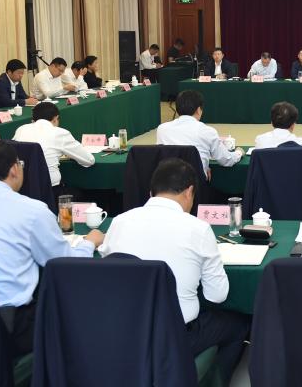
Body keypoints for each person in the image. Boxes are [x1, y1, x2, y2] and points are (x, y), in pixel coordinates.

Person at [0, 140, 103, 356]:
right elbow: (63, 263)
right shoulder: (32, 210)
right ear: (14, 169)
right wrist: (89, 242)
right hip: (8, 324)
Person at [101, 158, 250, 382]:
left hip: (123, 335)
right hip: (175, 337)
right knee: (238, 324)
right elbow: (217, 296)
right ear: (189, 192)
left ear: (151, 192)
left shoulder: (119, 222)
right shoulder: (198, 228)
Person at [157, 90, 242, 175]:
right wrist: (239, 152)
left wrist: (205, 166)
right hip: (195, 180)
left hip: (167, 179)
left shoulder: (162, 129)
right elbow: (226, 160)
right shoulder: (207, 131)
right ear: (198, 110)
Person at [11, 102, 94, 189]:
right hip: (50, 188)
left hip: (22, 186)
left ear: (33, 119)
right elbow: (89, 160)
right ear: (55, 118)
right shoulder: (60, 133)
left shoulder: (21, 129)